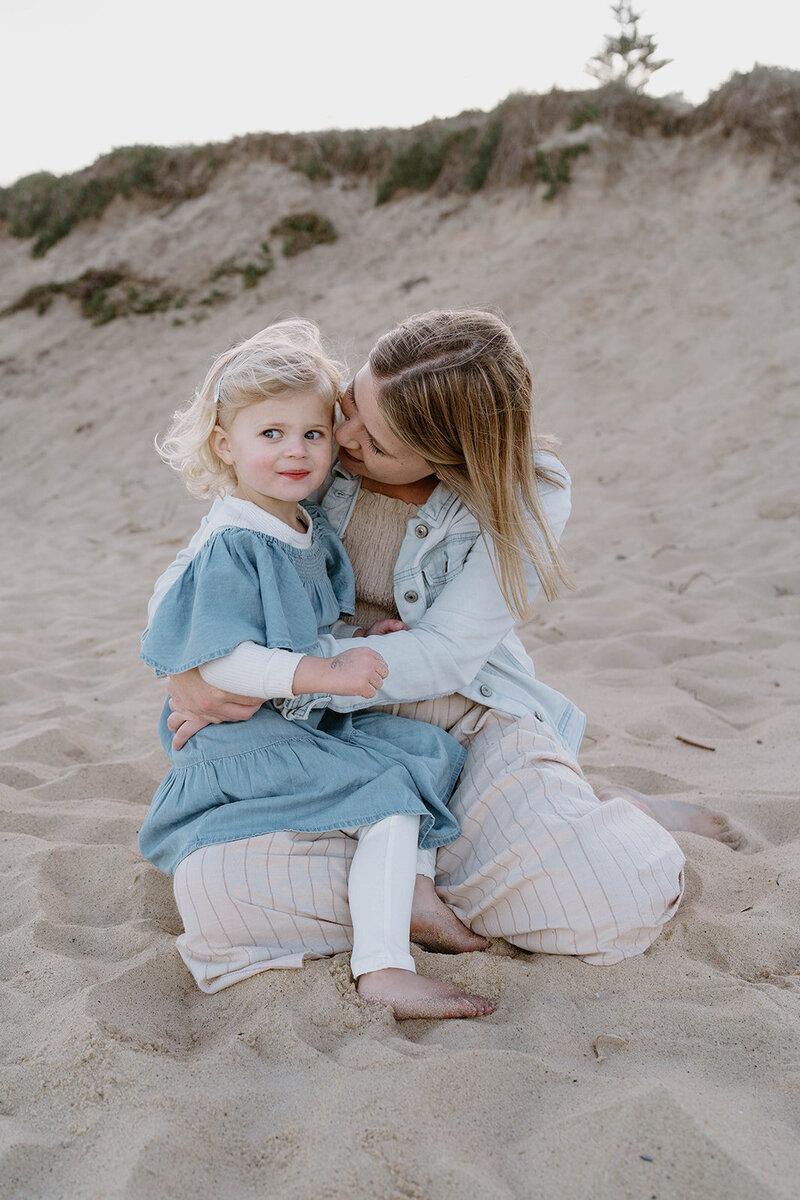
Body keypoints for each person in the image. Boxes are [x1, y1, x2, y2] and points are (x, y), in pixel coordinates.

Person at [159, 308, 714, 986]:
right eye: (351, 405)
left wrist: (314, 673)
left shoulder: (526, 489)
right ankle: (439, 867)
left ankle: (576, 821)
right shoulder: (307, 443)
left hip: (459, 711)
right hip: (322, 722)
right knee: (221, 899)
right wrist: (190, 667)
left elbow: (448, 652)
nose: (342, 439)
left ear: (452, 459)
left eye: (380, 443)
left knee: (607, 903)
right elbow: (209, 557)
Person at [140, 318, 497, 1019]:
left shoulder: (301, 523)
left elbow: (303, 621)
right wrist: (321, 675)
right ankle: (384, 968)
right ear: (226, 445)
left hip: (296, 716)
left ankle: (414, 889)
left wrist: (362, 633)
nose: (296, 452)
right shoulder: (237, 541)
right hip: (245, 735)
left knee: (429, 749)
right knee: (390, 797)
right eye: (269, 435)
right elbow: (226, 660)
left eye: (312, 433)